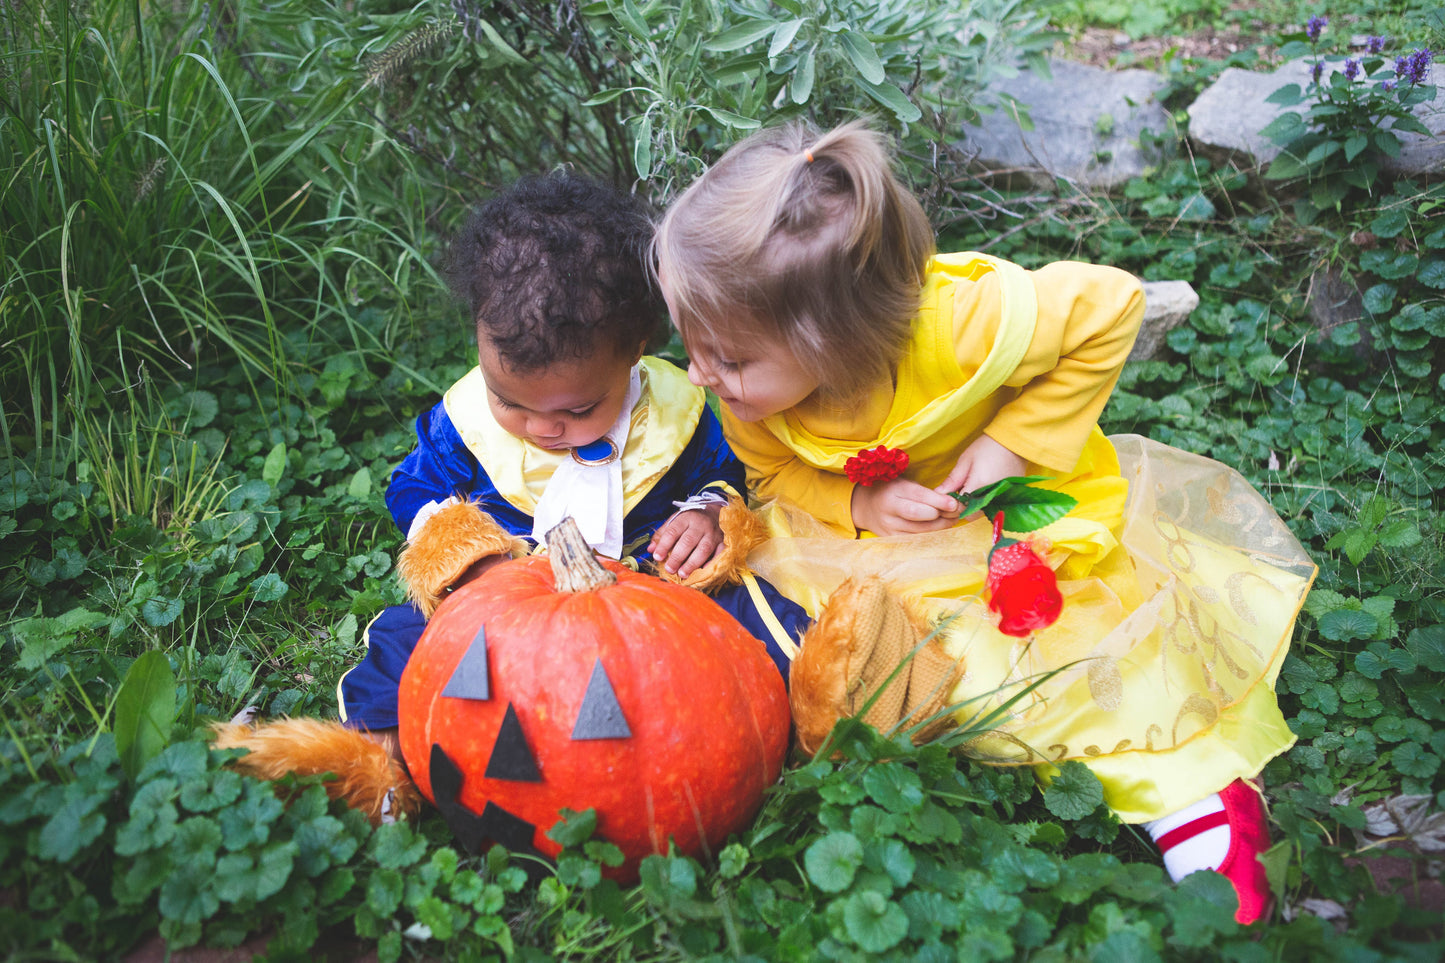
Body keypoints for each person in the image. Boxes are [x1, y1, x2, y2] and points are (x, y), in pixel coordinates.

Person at [653, 120, 1316, 924]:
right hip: (878, 539)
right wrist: (858, 503)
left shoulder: (963, 325)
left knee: (1069, 654)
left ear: (836, 342)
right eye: (694, 348)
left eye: (726, 358)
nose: (701, 374)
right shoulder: (747, 391)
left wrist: (1010, 442)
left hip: (1009, 520)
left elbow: (1110, 309)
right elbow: (774, 472)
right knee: (815, 637)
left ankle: (1191, 797)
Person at [337, 171, 813, 752]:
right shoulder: (463, 422)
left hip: (652, 577)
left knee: (756, 609)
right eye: (509, 401)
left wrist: (709, 511)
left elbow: (721, 470)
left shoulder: (673, 411)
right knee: (406, 636)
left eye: (578, 409)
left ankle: (820, 697)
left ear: (634, 351)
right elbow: (414, 487)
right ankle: (373, 750)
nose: (540, 429)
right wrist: (465, 559)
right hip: (510, 581)